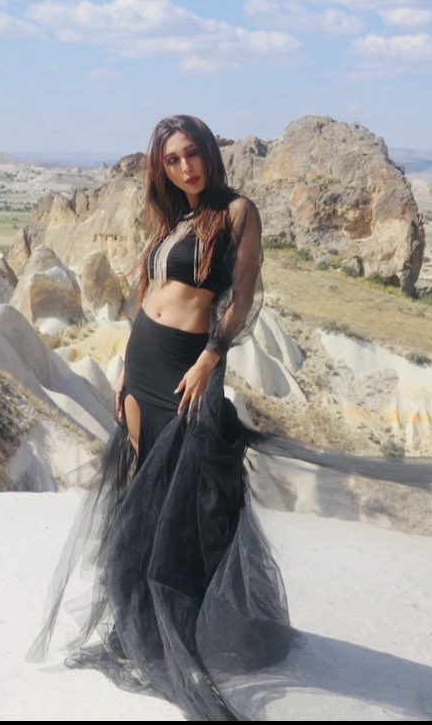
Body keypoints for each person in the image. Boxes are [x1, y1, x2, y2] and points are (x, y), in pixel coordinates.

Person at [28, 114, 292, 721]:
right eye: (172, 160)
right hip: (144, 363)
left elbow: (242, 298)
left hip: (188, 364)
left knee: (188, 495)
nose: (185, 167)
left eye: (191, 154)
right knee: (145, 492)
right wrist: (125, 367)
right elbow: (149, 298)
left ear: (208, 153)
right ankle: (145, 625)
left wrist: (209, 359)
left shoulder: (238, 212)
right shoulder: (174, 221)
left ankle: (191, 629)